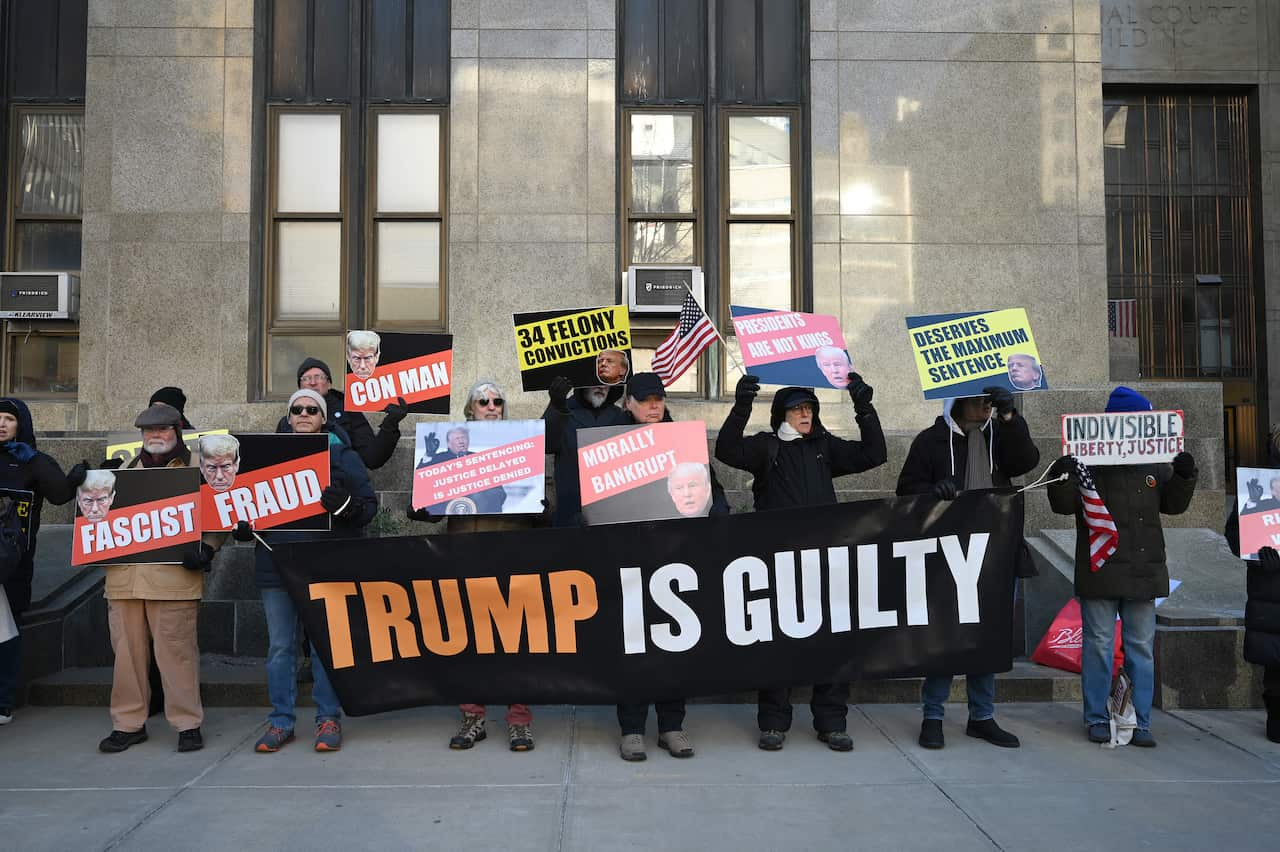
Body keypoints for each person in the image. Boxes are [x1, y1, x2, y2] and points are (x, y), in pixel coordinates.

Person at [715, 371, 885, 752]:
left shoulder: (825, 447)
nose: (805, 415)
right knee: (778, 646)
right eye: (796, 410)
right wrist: (742, 405)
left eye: (809, 408)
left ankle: (832, 722)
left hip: (825, 563)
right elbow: (726, 450)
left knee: (832, 643)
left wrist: (864, 407)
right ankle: (774, 723)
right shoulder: (766, 447)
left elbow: (875, 455)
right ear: (781, 415)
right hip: (778, 565)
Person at [1048, 385, 1197, 748]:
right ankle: (1098, 717)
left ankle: (1138, 721)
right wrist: (1062, 473)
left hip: (1144, 571)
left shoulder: (1155, 462)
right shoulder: (1089, 460)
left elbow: (1174, 506)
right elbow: (1064, 505)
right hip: (1101, 570)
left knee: (1140, 650)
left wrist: (1183, 476)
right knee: (1099, 646)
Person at [897, 386, 1040, 750]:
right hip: (950, 554)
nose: (986, 406)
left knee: (987, 635)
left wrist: (1011, 418)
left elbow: (1025, 461)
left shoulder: (998, 436)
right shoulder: (930, 441)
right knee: (945, 636)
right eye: (979, 400)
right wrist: (933, 489)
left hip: (995, 551)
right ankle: (933, 715)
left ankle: (982, 716)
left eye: (990, 401)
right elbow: (906, 489)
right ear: (957, 402)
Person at [243, 388, 378, 754]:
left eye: (311, 409)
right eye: (297, 409)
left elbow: (369, 506)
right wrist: (240, 526)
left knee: (324, 647)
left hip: (325, 565)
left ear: (322, 418)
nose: (303, 413)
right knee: (281, 648)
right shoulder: (261, 460)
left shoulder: (342, 454)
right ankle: (281, 721)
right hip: (277, 564)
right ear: (288, 418)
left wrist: (348, 507)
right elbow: (240, 505)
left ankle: (328, 718)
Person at [409, 380, 538, 752]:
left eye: (498, 401)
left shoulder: (521, 447)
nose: (492, 406)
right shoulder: (443, 453)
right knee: (468, 641)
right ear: (470, 410)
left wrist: (540, 507)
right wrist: (419, 509)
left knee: (516, 642)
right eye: (483, 401)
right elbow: (433, 509)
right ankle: (473, 716)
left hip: (511, 556)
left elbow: (528, 500)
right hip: (463, 557)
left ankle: (519, 720)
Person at [98, 403, 227, 754]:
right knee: (126, 657)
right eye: (148, 431)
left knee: (177, 655)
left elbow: (220, 517)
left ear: (178, 431)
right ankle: (128, 724)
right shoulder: (121, 470)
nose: (155, 436)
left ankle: (187, 723)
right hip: (124, 581)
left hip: (173, 580)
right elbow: (93, 522)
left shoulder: (198, 471)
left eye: (163, 430)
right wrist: (88, 485)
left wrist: (209, 547)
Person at [616, 372, 728, 761]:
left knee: (674, 645)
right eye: (644, 399)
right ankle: (632, 729)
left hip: (677, 560)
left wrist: (719, 515)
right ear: (628, 403)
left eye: (658, 399)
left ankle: (671, 726)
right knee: (632, 648)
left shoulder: (684, 442)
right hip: (629, 561)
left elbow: (714, 493)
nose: (652, 405)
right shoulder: (609, 444)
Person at [0, 397, 82, 726]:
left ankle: (4, 701)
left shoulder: (33, 462)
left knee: (6, 634)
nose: (2, 424)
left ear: (22, 424)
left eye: (9, 418)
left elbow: (61, 493)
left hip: (13, 566)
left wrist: (77, 477)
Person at [1227, 423, 1280, 743]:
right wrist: (1258, 555)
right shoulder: (1258, 486)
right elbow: (1235, 535)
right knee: (1275, 668)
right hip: (1270, 591)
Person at [283, 358, 404, 470]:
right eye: (306, 378)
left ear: (329, 383)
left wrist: (390, 424)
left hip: (342, 485)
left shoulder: (349, 413)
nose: (313, 382)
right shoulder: (288, 421)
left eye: (319, 377)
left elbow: (372, 459)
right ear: (299, 387)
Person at [543, 378, 629, 527]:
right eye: (595, 379)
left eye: (606, 381)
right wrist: (555, 406)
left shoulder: (621, 417)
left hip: (613, 519)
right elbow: (545, 444)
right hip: (570, 518)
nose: (601, 386)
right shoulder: (564, 411)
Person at [421, 425, 507, 515]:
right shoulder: (437, 459)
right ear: (448, 443)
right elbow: (421, 481)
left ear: (468, 441)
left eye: (464, 438)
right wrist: (429, 455)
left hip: (478, 508)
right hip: (446, 508)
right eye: (457, 438)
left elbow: (498, 490)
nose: (461, 441)